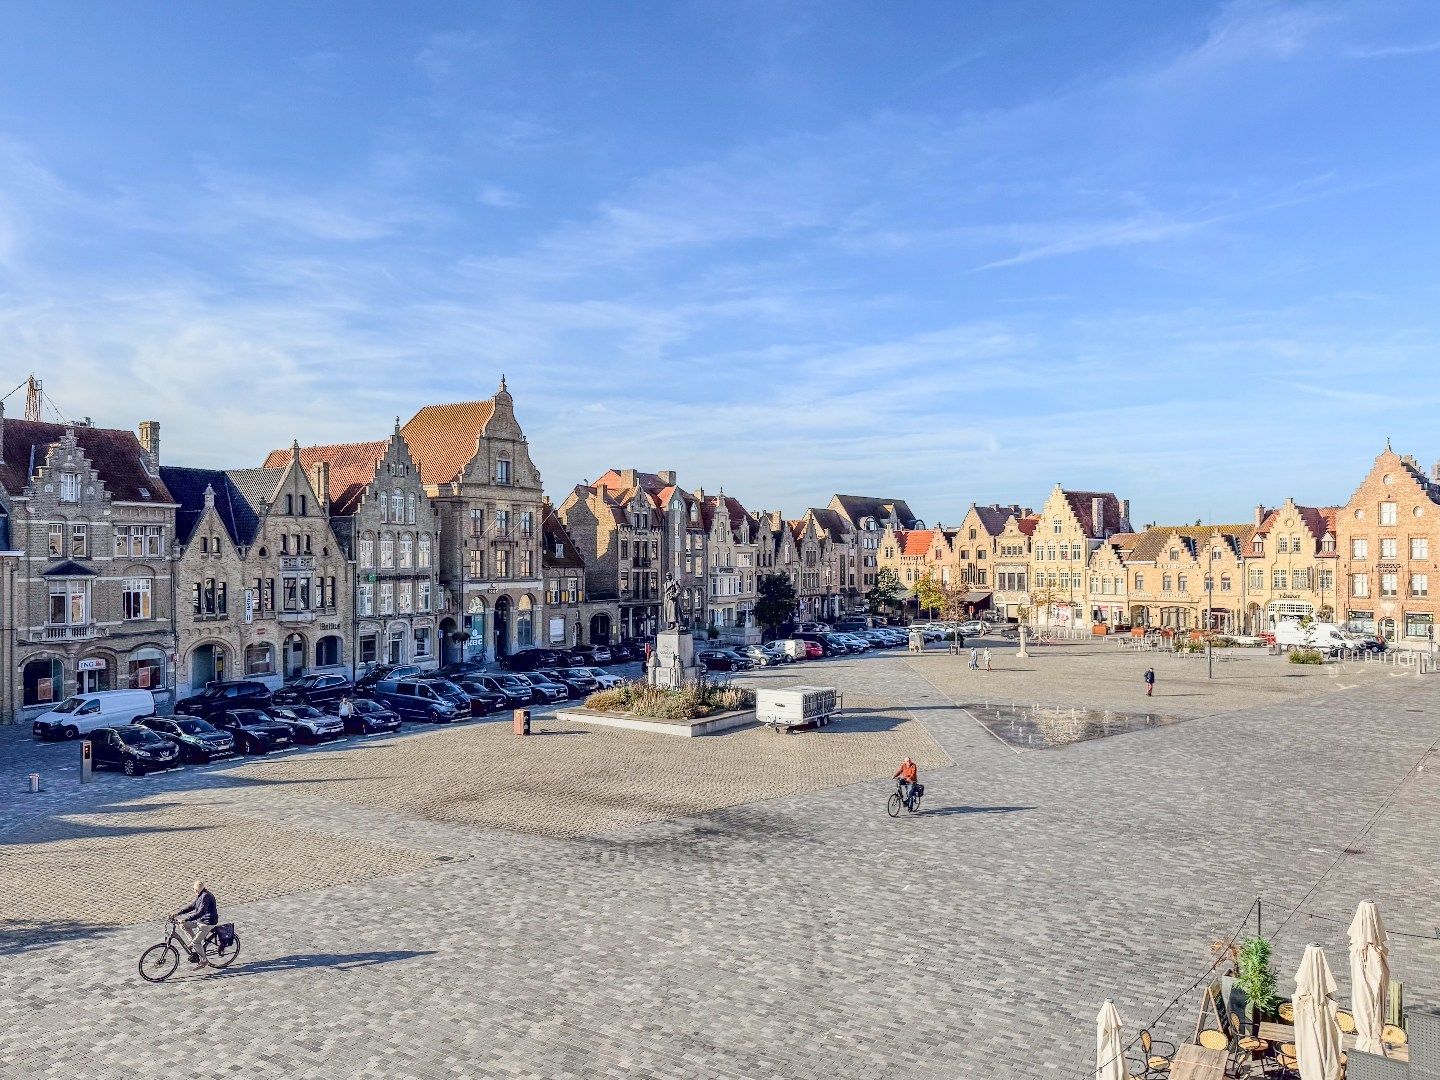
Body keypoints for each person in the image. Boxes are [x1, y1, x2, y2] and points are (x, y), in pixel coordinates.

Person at [173, 879, 218, 966]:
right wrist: (178, 913)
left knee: (196, 942)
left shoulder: (206, 897)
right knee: (183, 925)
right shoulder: (201, 894)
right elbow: (192, 906)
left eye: (194, 889)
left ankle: (204, 960)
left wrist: (186, 919)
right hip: (201, 920)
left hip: (207, 923)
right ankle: (194, 943)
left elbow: (200, 913)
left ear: (196, 890)